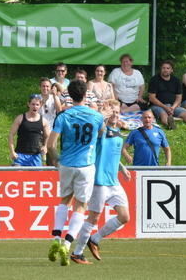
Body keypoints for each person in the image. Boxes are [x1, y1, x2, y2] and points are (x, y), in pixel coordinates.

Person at [46, 80, 104, 267]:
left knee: (64, 200)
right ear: (86, 94)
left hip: (67, 164)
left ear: (69, 95)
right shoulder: (96, 116)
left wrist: (56, 161)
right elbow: (102, 132)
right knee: (81, 205)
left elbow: (51, 145)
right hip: (86, 165)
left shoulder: (63, 116)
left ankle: (55, 239)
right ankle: (68, 243)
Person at [70, 99, 131, 264]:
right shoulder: (101, 132)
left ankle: (95, 239)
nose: (115, 115)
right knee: (93, 218)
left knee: (125, 216)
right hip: (99, 182)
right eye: (112, 112)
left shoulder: (118, 135)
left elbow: (112, 155)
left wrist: (122, 167)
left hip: (114, 182)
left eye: (117, 112)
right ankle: (77, 252)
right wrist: (102, 115)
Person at [148, 60, 186, 129]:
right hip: (158, 106)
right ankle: (169, 125)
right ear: (161, 69)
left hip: (173, 106)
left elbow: (179, 97)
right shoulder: (154, 80)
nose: (165, 70)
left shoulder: (176, 81)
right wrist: (165, 107)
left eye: (168, 68)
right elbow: (152, 98)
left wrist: (173, 107)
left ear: (171, 70)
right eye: (163, 68)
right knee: (163, 114)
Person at [8, 94, 51, 166]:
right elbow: (11, 134)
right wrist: (12, 151)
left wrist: (45, 146)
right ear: (28, 104)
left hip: (35, 156)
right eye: (33, 104)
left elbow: (47, 136)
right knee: (16, 177)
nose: (35, 107)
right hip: (20, 155)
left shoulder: (44, 121)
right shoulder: (20, 118)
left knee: (36, 177)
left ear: (40, 105)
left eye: (37, 104)